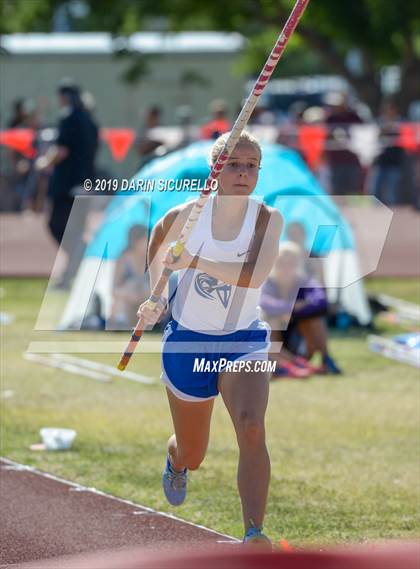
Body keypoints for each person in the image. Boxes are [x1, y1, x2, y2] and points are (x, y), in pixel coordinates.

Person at [137, 131, 282, 545]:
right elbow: (159, 249)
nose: (243, 172)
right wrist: (155, 298)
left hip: (243, 339)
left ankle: (254, 532)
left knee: (252, 427)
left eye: (251, 165)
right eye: (234, 164)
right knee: (193, 453)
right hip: (188, 342)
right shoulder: (185, 215)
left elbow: (255, 276)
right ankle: (175, 459)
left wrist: (196, 261)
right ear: (216, 170)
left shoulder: (267, 219)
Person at [36, 79, 99, 288]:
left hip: (68, 185)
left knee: (56, 225)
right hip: (86, 183)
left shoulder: (69, 118)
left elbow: (61, 150)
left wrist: (44, 162)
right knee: (76, 230)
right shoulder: (90, 121)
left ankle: (79, 260)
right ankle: (75, 269)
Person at [260, 242, 341, 377]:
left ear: (297, 264)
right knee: (268, 323)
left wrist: (292, 314)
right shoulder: (268, 282)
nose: (285, 267)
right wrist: (292, 307)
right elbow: (264, 303)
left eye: (290, 263)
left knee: (314, 320)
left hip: (300, 340)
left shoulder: (304, 281)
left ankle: (326, 359)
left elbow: (320, 301)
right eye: (281, 262)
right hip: (275, 344)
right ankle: (288, 365)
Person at [109, 224, 150, 329]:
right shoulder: (123, 260)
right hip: (128, 301)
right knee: (129, 287)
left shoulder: (152, 260)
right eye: (146, 239)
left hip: (145, 302)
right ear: (135, 241)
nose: (149, 242)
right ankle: (119, 323)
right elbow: (114, 290)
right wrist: (130, 295)